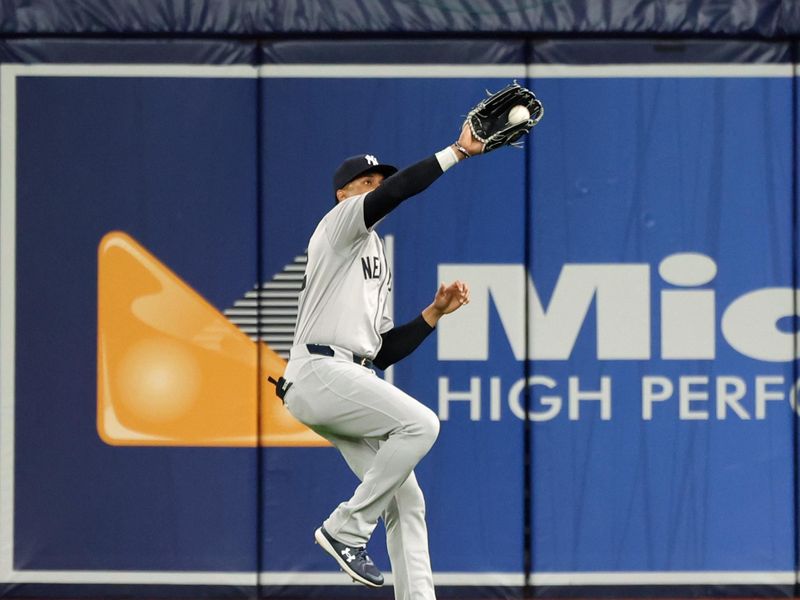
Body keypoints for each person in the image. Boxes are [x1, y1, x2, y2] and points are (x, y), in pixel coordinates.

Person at [279, 122, 485, 600]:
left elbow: (384, 351)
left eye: (378, 180)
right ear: (342, 195)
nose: (375, 187)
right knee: (421, 425)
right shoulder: (340, 227)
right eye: (366, 182)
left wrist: (433, 314)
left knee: (406, 501)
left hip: (345, 374)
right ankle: (346, 528)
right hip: (319, 370)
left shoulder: (375, 256)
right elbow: (397, 193)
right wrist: (456, 152)